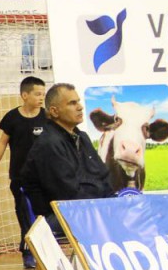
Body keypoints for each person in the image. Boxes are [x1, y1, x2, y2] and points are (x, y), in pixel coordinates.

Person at [20, 83, 112, 231]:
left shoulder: (82, 137)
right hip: (58, 215)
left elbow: (103, 175)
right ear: (54, 111)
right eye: (72, 103)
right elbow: (68, 194)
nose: (80, 107)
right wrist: (103, 206)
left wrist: (113, 203)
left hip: (87, 208)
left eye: (78, 102)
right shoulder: (48, 144)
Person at [0, 76, 47, 268]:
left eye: (43, 94)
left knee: (43, 216)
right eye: (37, 94)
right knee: (25, 215)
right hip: (20, 178)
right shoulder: (12, 117)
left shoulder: (47, 117)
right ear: (25, 95)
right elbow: (2, 143)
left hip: (43, 178)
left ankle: (46, 252)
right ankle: (28, 253)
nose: (41, 98)